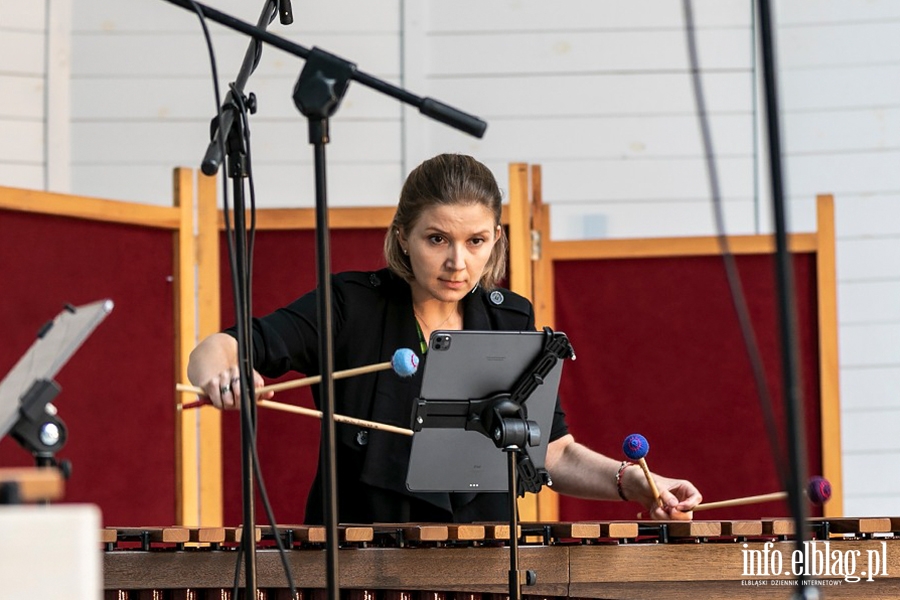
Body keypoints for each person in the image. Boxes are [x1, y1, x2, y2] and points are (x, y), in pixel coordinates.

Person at [187, 153, 701, 524]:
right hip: (359, 562)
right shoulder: (349, 306)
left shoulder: (511, 321)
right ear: (403, 237)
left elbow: (553, 451)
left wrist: (632, 482)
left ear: (495, 238)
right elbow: (222, 346)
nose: (458, 262)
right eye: (437, 239)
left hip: (485, 562)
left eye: (475, 241)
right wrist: (223, 374)